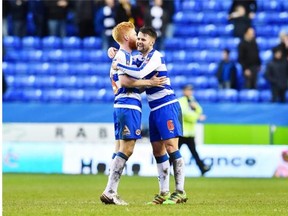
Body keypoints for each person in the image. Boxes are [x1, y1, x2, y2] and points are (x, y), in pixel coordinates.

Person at [113, 26, 187, 205]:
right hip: (155, 110)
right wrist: (115, 51)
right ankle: (163, 193)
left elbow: (137, 74)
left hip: (167, 105)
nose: (139, 41)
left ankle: (180, 191)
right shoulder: (140, 58)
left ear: (152, 42)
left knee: (171, 147)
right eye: (138, 38)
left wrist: (118, 64)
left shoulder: (156, 56)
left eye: (143, 39)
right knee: (157, 151)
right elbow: (133, 79)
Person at [100, 22, 167, 205]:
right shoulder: (124, 56)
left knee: (119, 149)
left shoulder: (121, 55)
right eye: (135, 34)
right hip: (128, 104)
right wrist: (150, 84)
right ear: (127, 37)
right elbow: (125, 81)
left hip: (121, 105)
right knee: (127, 149)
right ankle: (110, 191)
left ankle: (111, 191)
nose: (138, 38)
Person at [178, 84, 211, 176]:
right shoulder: (181, 101)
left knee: (194, 152)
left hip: (190, 132)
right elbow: (185, 114)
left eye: (191, 90)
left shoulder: (192, 100)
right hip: (182, 132)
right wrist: (197, 116)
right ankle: (167, 169)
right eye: (188, 90)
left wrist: (195, 108)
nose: (189, 92)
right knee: (175, 152)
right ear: (184, 91)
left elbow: (199, 110)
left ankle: (202, 168)